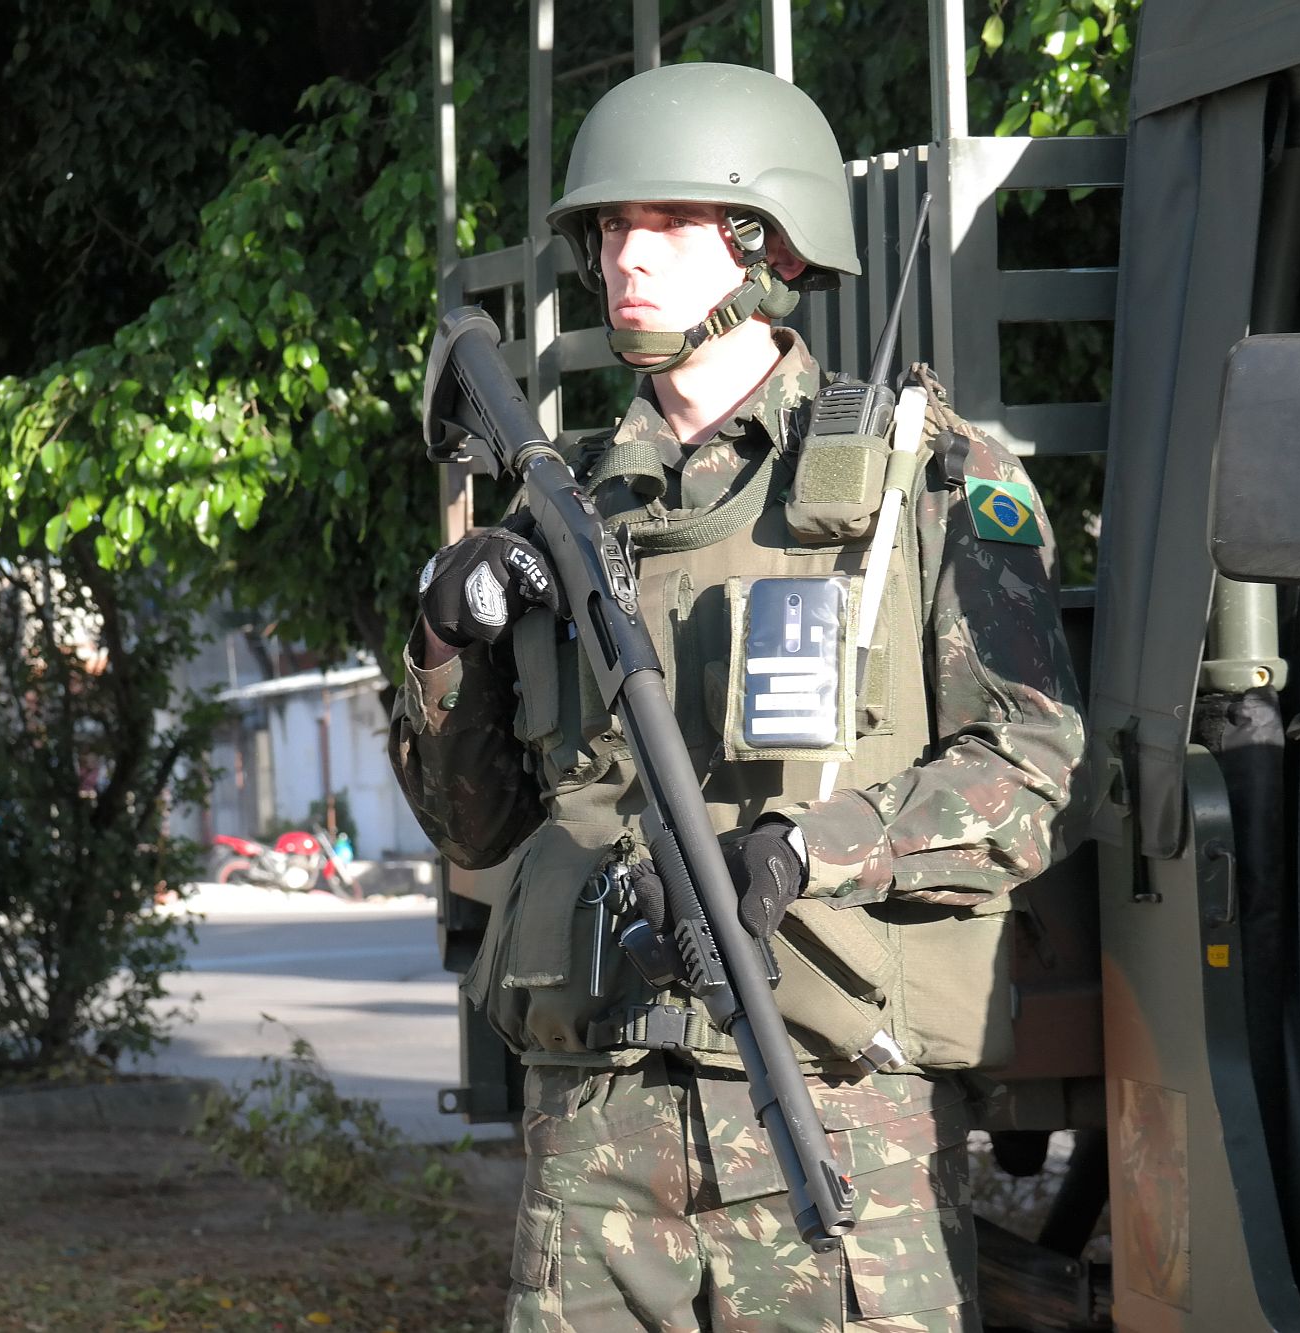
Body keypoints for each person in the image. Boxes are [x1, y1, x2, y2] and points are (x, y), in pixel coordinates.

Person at [390, 63, 1085, 1331]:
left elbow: (1025, 768)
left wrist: (804, 852)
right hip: (595, 1118)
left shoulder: (917, 475)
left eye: (662, 221)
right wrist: (443, 637)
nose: (621, 258)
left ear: (763, 242)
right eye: (606, 228)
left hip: (826, 1100)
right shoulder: (566, 503)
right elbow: (474, 828)